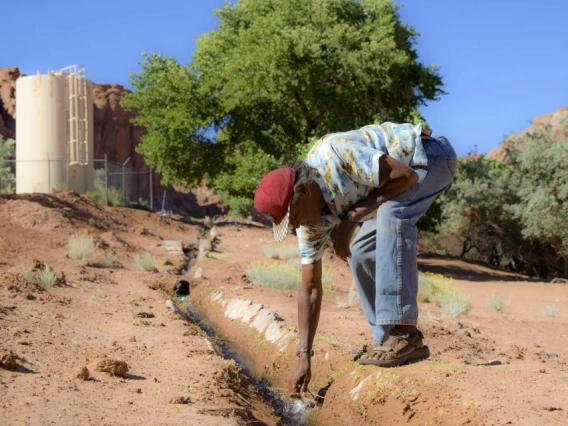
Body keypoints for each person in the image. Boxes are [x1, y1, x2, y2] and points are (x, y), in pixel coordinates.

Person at [253, 122, 457, 394]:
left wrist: (351, 218)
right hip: (397, 182)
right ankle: (386, 338)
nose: (296, 225)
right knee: (360, 252)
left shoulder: (335, 155)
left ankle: (405, 335)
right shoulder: (310, 222)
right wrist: (304, 355)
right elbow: (310, 288)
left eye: (294, 217)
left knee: (393, 216)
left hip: (427, 157)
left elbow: (405, 177)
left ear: (302, 191)